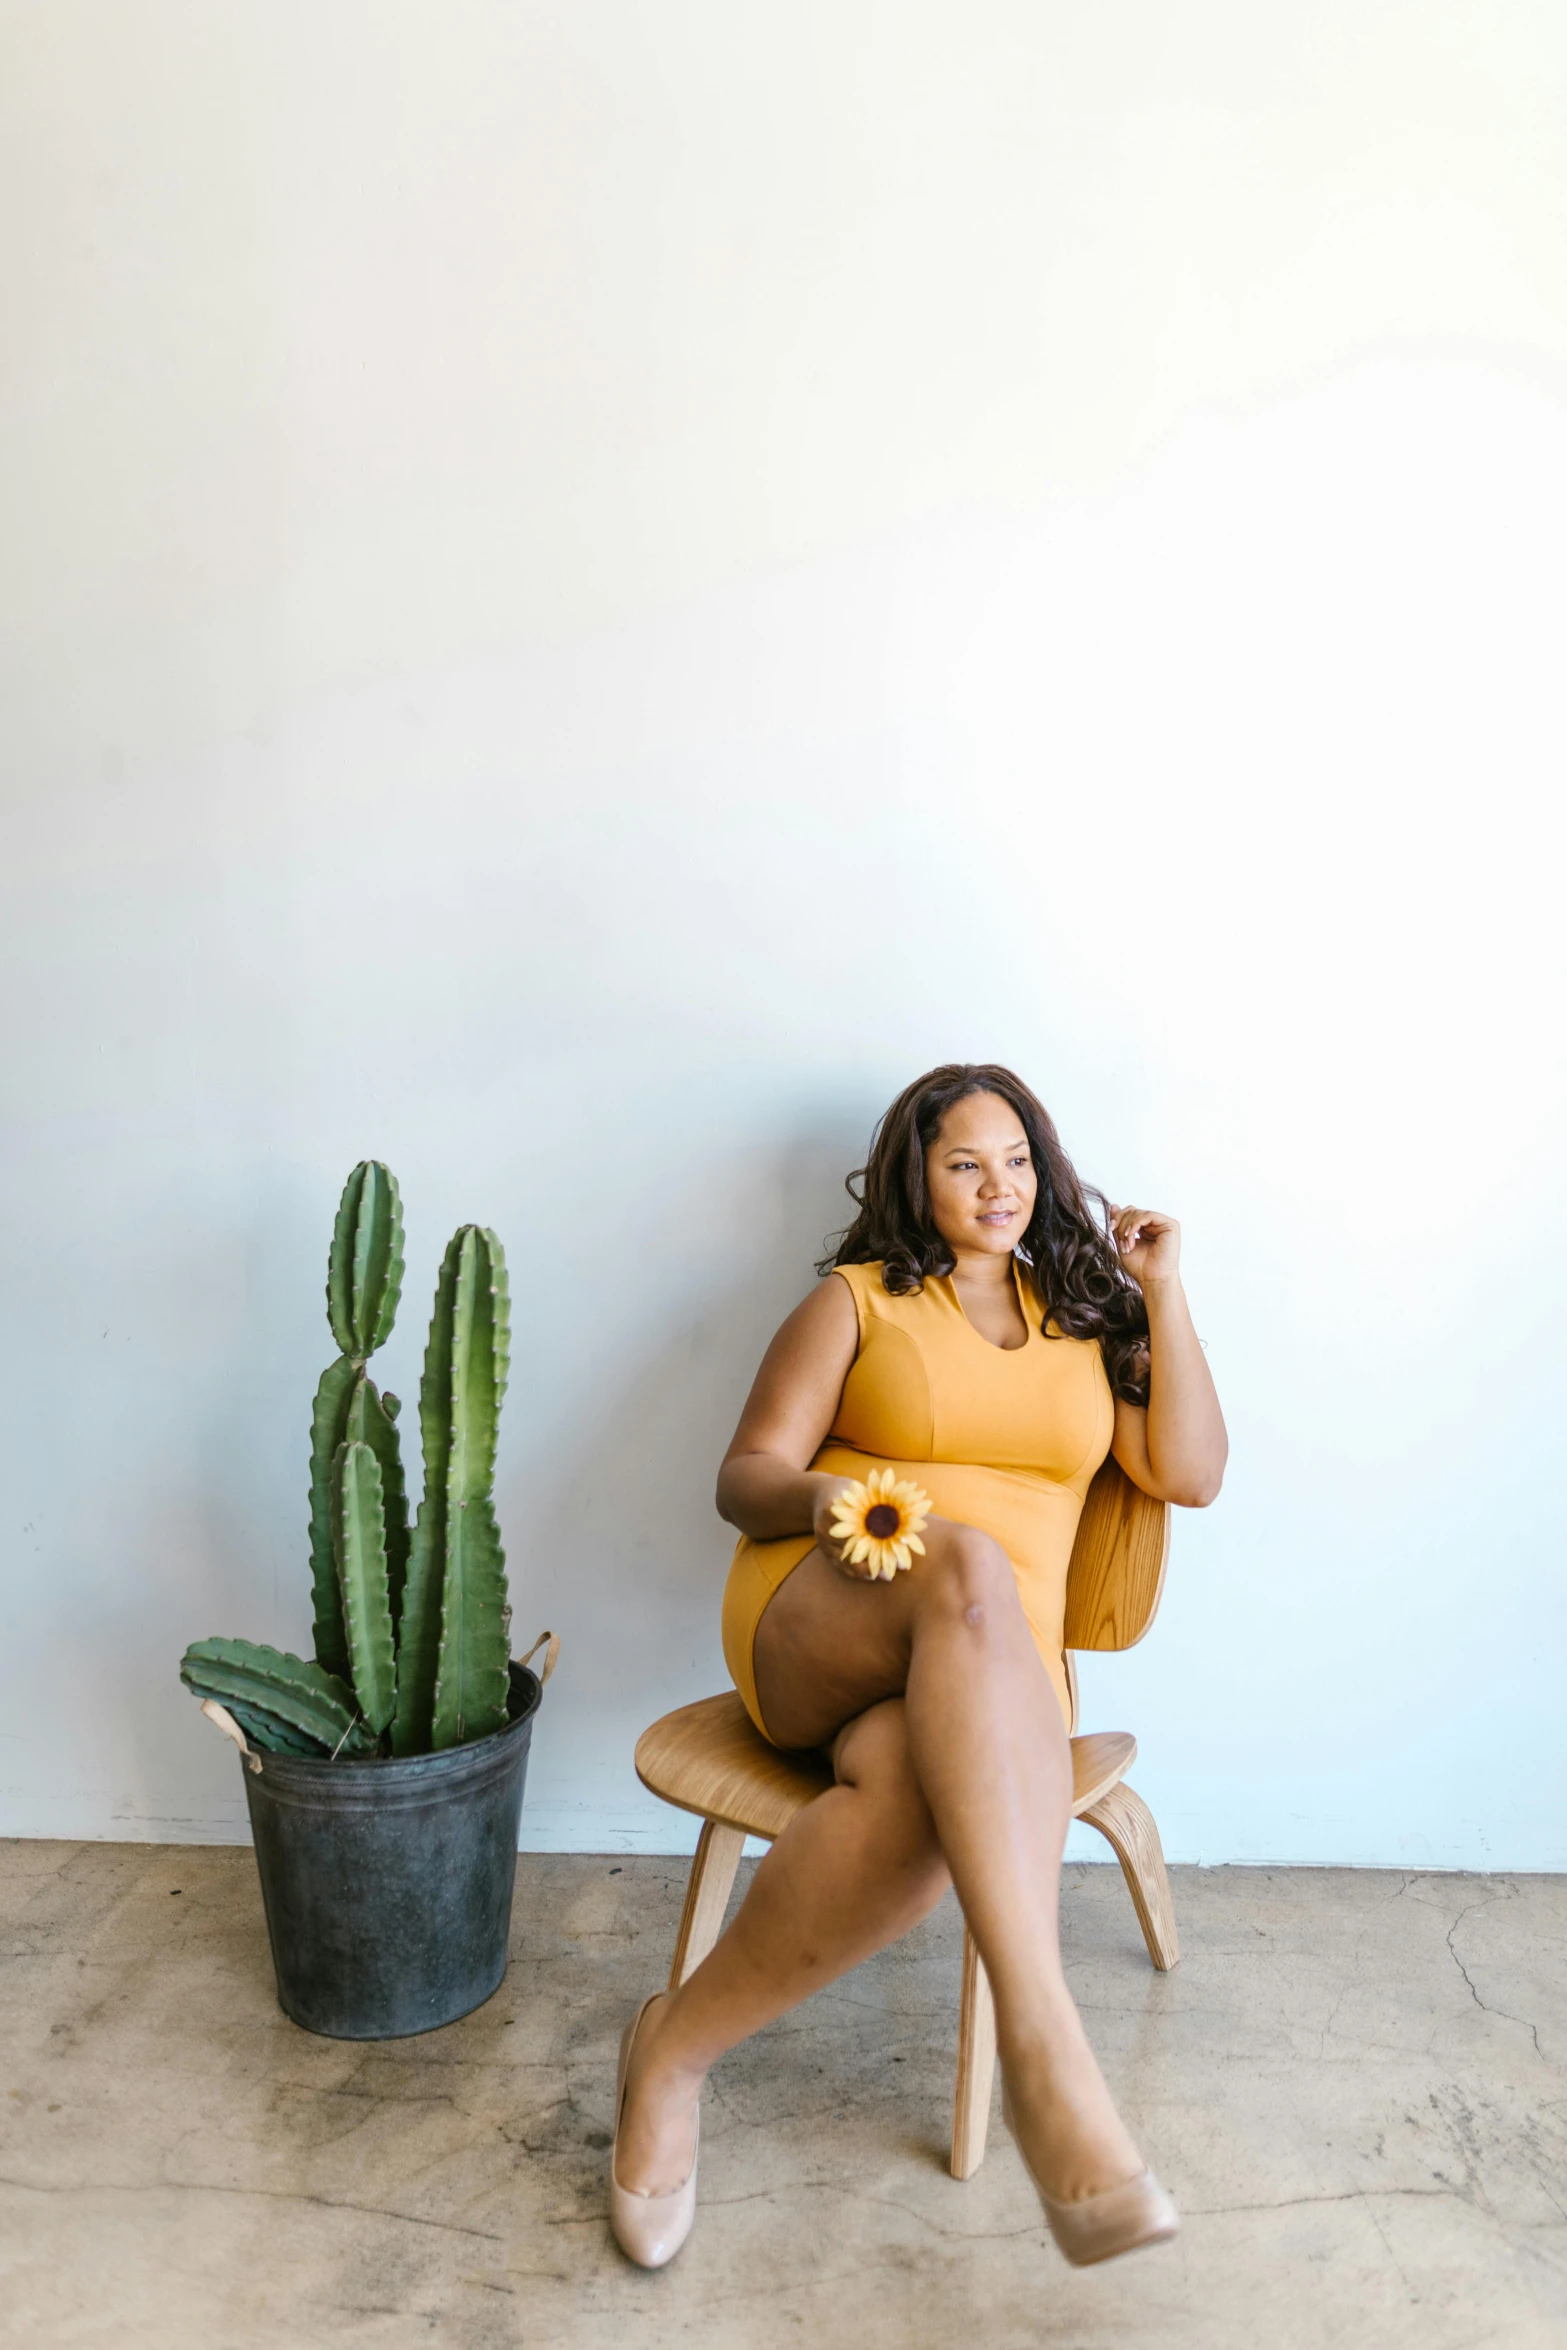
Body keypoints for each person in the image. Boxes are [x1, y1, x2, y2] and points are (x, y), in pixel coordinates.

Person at [608, 1062, 1228, 2269]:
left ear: (1042, 1172)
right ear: (917, 1177)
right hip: (825, 1622)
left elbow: (1192, 1473)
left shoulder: (1089, 1317)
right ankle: (1049, 2056)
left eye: (1014, 1161)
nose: (996, 1186)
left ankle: (667, 2056)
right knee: (968, 1564)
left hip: (987, 1687)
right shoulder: (854, 1303)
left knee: (916, 1800)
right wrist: (834, 1494)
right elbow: (743, 1479)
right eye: (963, 1163)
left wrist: (1162, 1291)